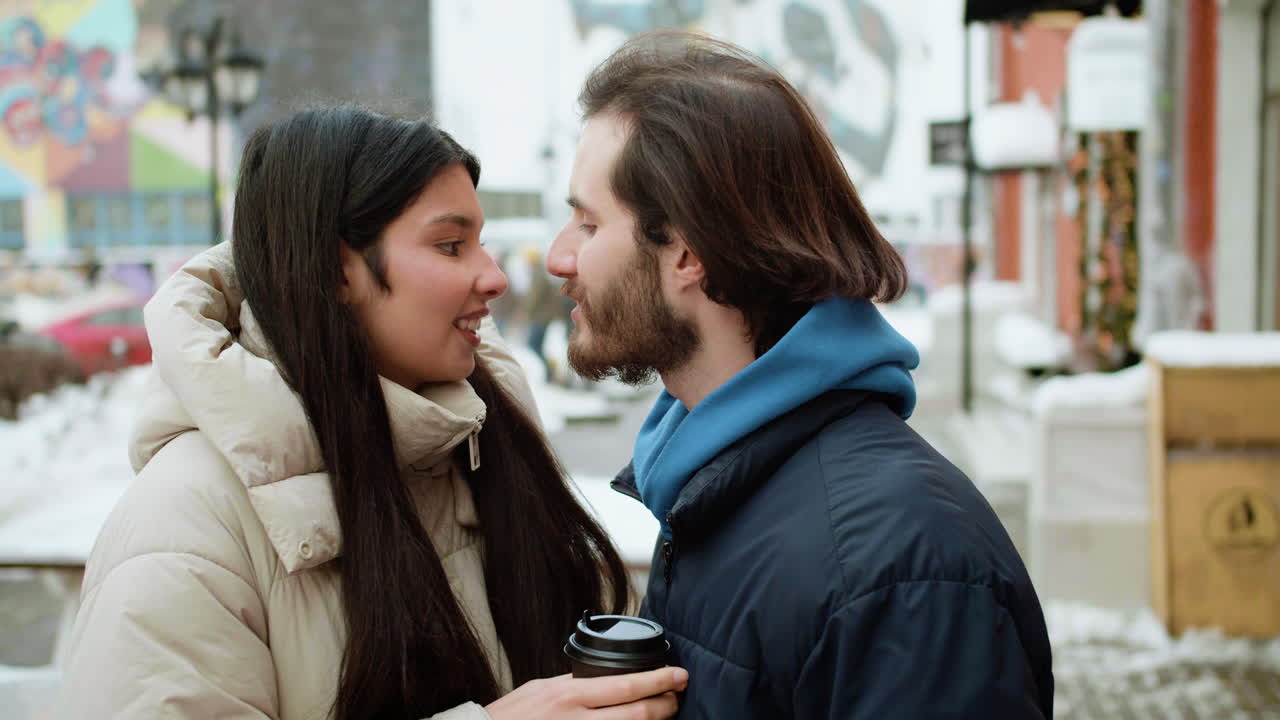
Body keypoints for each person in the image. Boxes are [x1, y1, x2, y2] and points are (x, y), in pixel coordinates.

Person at [59, 105, 687, 719]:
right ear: (337, 270)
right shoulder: (186, 530)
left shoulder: (490, 446)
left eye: (482, 244)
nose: (494, 278)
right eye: (450, 245)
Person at [546, 33, 1054, 719]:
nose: (557, 257)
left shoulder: (904, 567)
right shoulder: (711, 485)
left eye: (587, 221)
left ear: (689, 254)